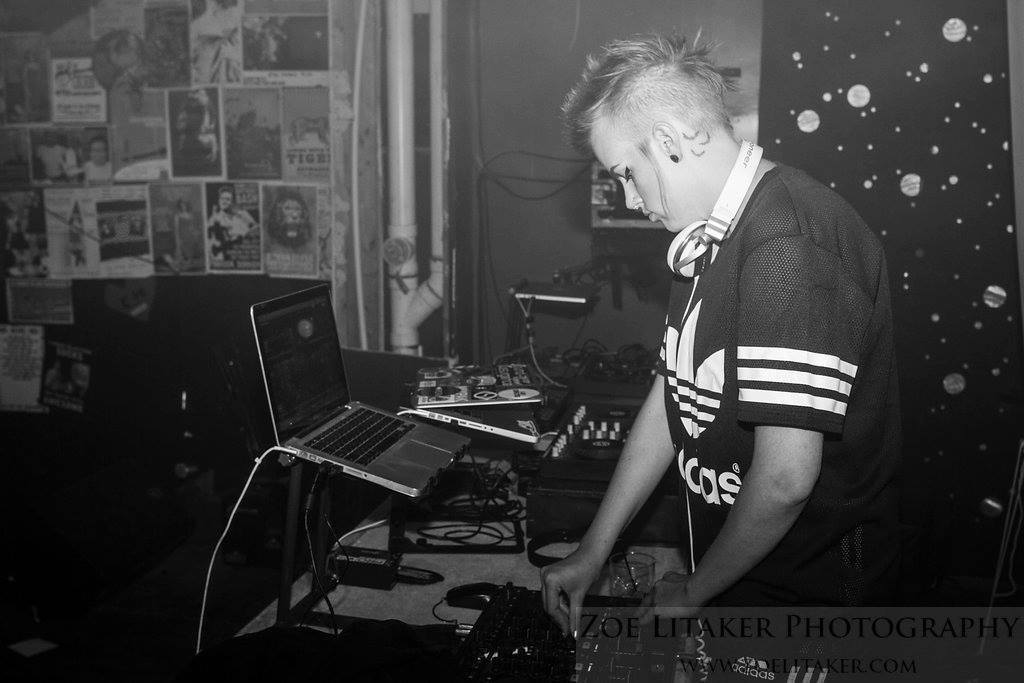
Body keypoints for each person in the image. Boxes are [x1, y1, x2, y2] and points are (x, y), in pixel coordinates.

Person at [541, 33, 901, 642]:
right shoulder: (710, 235)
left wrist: (692, 591)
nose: (630, 198)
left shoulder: (787, 244)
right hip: (739, 567)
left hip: (808, 596)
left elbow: (785, 481)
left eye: (627, 173)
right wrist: (594, 548)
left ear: (671, 142)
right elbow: (673, 396)